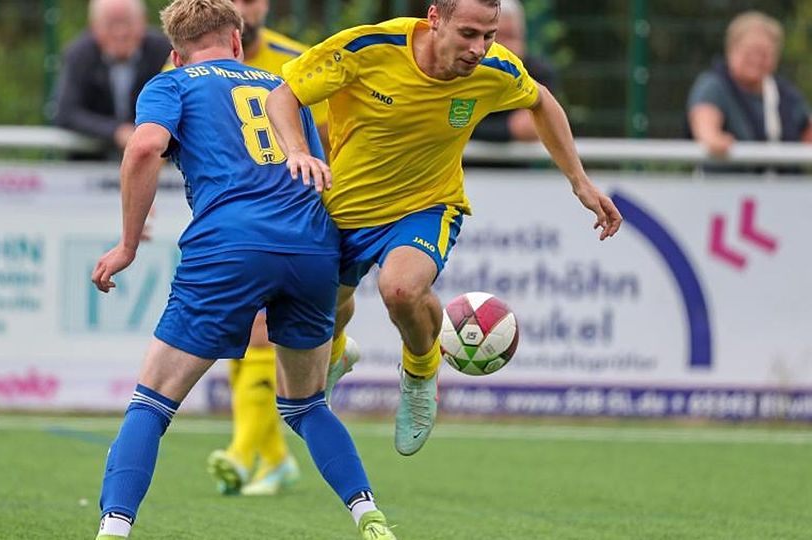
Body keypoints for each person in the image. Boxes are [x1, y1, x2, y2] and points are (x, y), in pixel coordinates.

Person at [90, 1, 396, 539]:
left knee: (152, 401)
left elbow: (144, 148)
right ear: (236, 41)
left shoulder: (172, 83)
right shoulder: (285, 88)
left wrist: (127, 245)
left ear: (174, 51)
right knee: (304, 405)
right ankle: (367, 513)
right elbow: (315, 169)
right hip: (311, 246)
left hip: (230, 245)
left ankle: (113, 530)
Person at [266, 0, 622, 456]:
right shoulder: (368, 48)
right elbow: (283, 94)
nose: (479, 48)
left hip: (427, 205)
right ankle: (338, 353)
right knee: (326, 313)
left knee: (401, 290)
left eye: (489, 35)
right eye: (468, 34)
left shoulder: (495, 68)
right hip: (344, 209)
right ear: (435, 19)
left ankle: (419, 373)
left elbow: (541, 102)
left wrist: (579, 181)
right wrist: (297, 149)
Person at [204, 0, 331, 499]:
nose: (243, 6)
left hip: (292, 221)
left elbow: (331, 135)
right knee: (243, 327)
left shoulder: (299, 59)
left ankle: (241, 451)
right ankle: (274, 459)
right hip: (228, 219)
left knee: (260, 327)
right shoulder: (191, 64)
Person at [687, 10, 812, 169]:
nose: (757, 60)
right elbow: (705, 124)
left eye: (765, 54)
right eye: (750, 52)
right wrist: (714, 139)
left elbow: (807, 130)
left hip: (781, 189)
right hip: (729, 188)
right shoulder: (713, 86)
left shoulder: (785, 93)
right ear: (731, 49)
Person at [54, 0, 172, 160]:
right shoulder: (78, 55)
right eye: (110, 24)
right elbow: (66, 113)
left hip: (154, 160)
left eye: (128, 23)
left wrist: (146, 132)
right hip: (91, 164)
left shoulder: (164, 51)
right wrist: (116, 131)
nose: (120, 32)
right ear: (93, 26)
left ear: (143, 21)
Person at [470, 0, 558, 143]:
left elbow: (533, 127)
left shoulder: (537, 72)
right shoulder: (464, 67)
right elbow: (445, 122)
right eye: (498, 36)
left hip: (515, 164)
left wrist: (469, 124)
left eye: (512, 36)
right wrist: (510, 128)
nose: (506, 46)